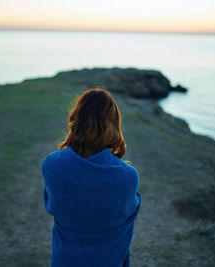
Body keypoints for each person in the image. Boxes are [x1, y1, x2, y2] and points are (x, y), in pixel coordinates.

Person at [41, 87, 141, 267]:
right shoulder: (128, 176)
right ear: (113, 125)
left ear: (76, 119)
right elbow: (128, 211)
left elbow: (53, 204)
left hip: (64, 261)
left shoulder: (51, 164)